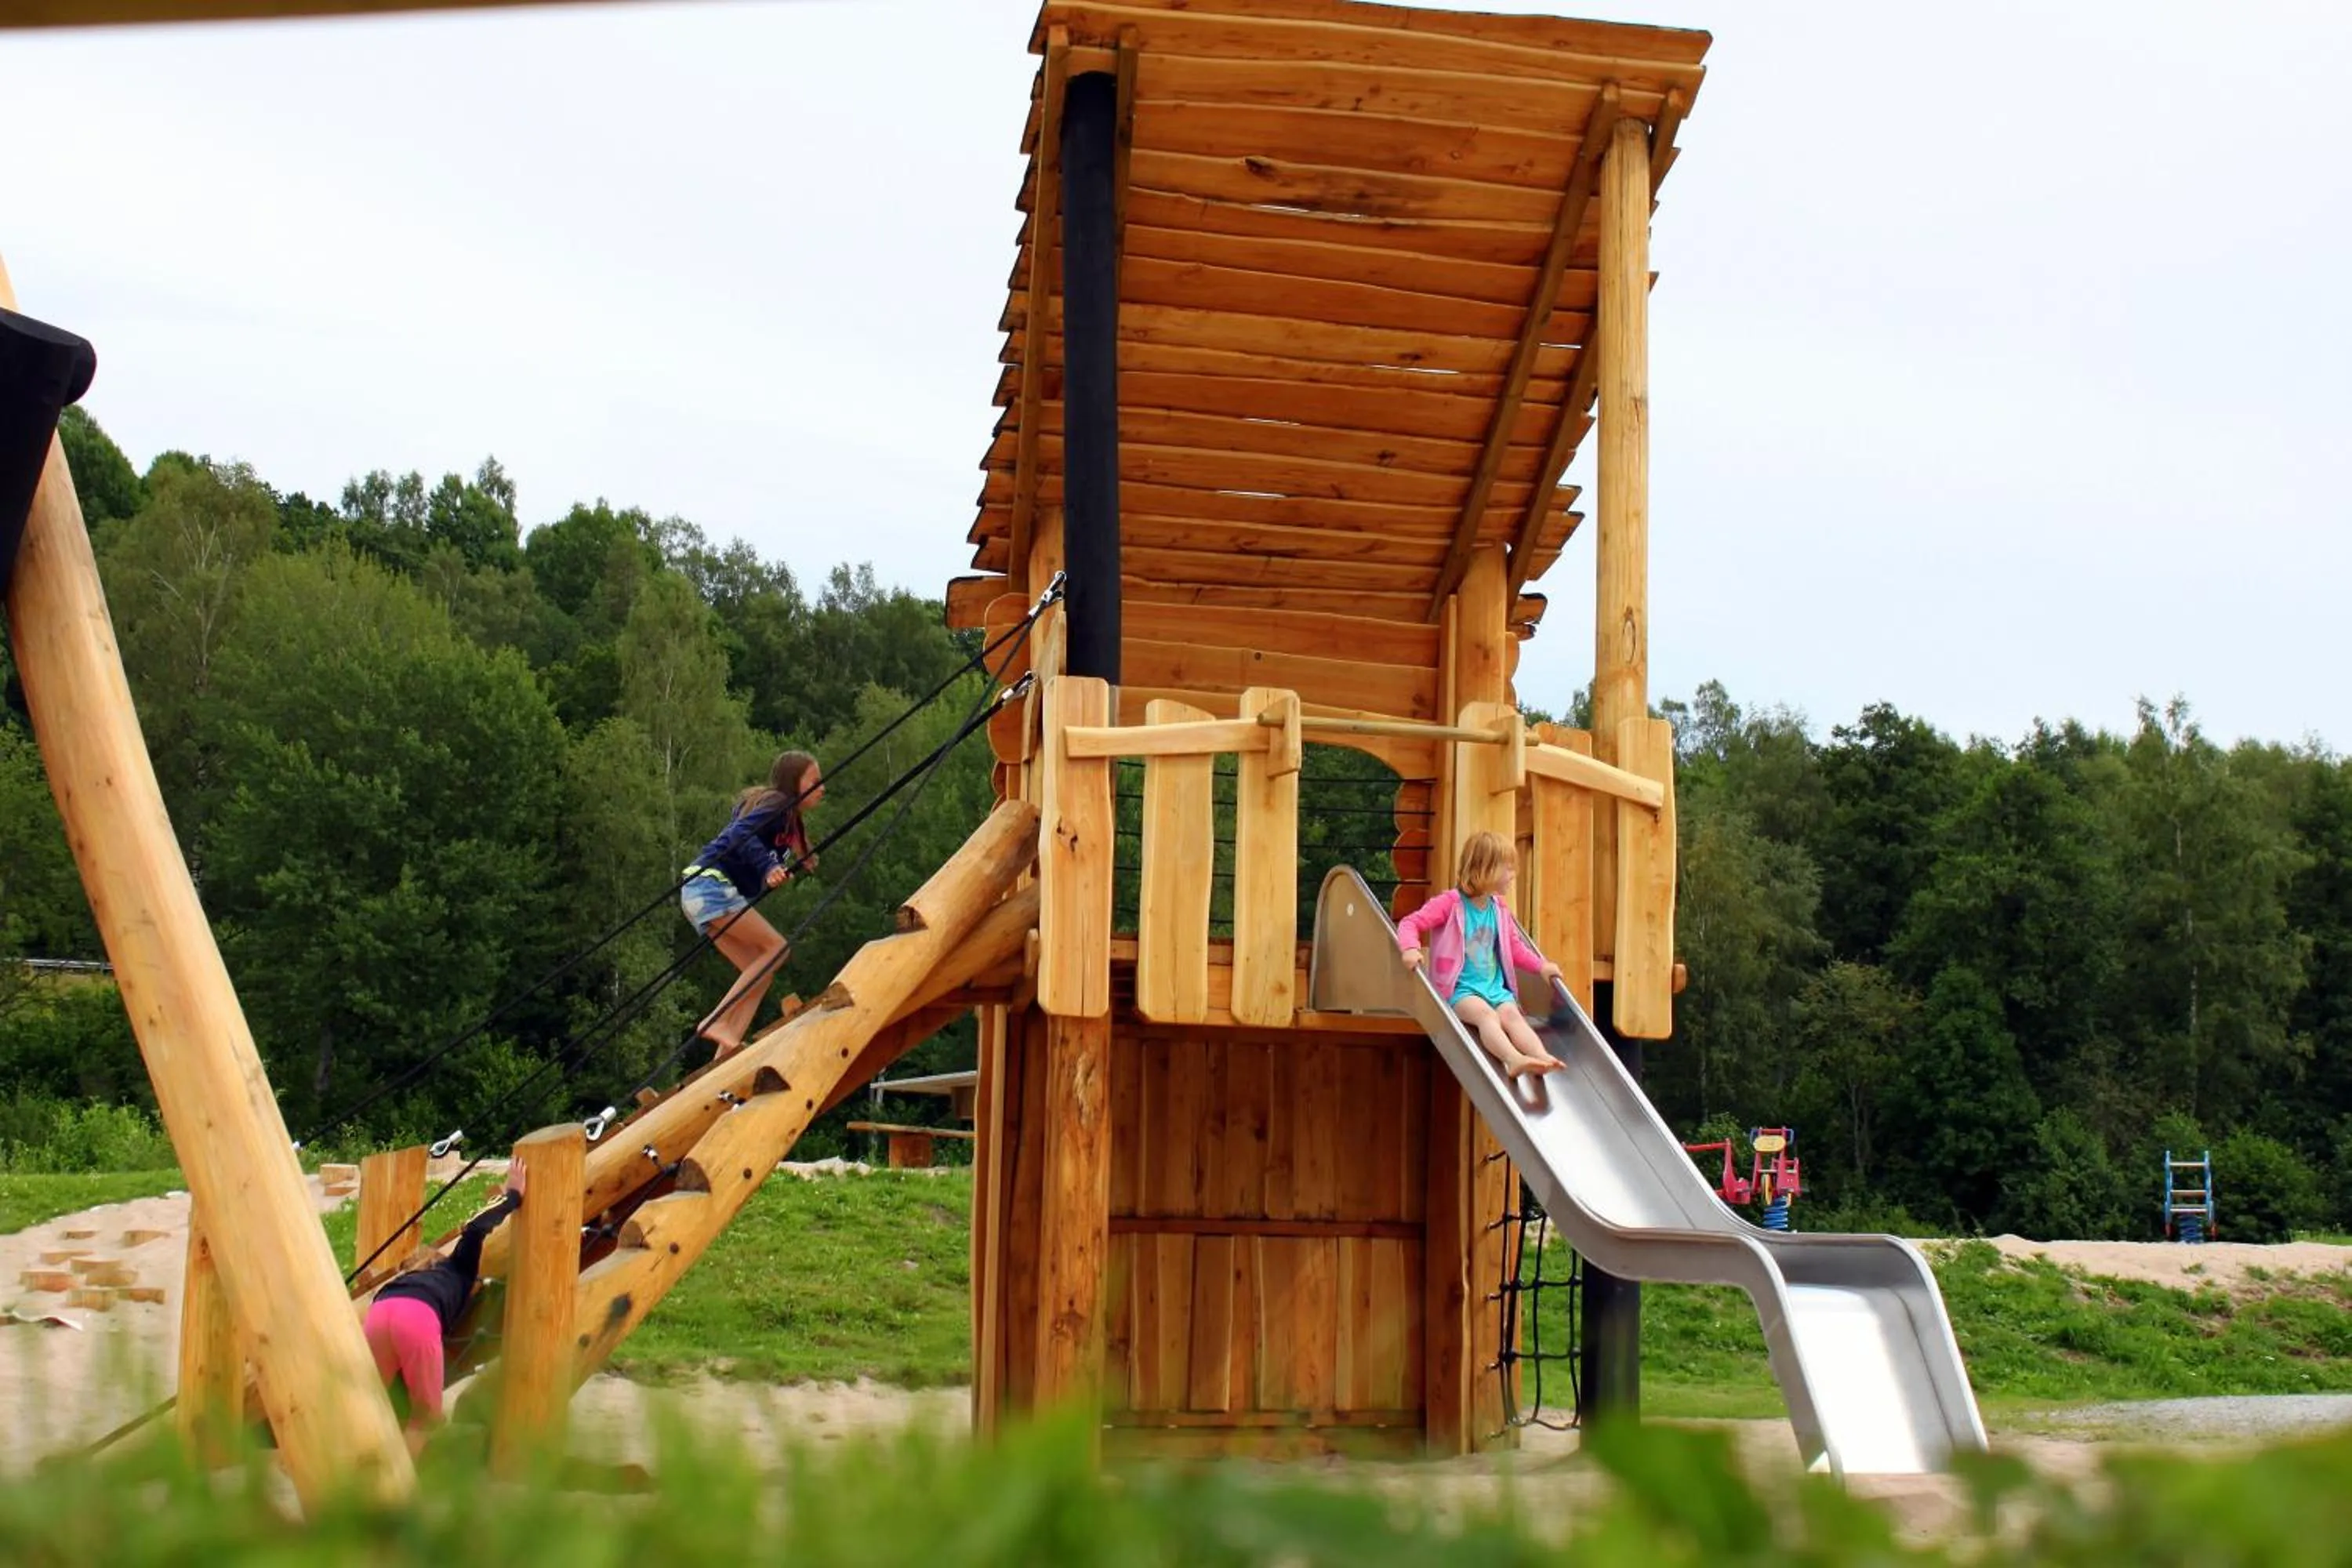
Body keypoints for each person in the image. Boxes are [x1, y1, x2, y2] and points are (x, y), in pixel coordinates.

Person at [362, 1160, 527, 1455]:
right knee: (425, 1420)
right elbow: (475, 1228)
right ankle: (397, 1484)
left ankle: (348, 1473)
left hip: (379, 1313)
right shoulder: (457, 1267)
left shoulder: (404, 1279)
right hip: (417, 1317)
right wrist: (513, 1197)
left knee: (371, 1405)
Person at [680, 750, 824, 1061]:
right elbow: (739, 833)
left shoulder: (787, 819)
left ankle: (724, 1054)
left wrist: (802, 858)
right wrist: (767, 868)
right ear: (794, 784)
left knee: (761, 968)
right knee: (777, 948)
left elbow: (796, 845)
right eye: (815, 781)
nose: (822, 787)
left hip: (698, 892)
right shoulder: (777, 803)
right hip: (711, 885)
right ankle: (716, 1020)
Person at [1396, 829, 1566, 1079]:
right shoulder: (1450, 903)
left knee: (1512, 1016)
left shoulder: (1498, 908)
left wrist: (1541, 966)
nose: (1512, 875)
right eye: (1507, 869)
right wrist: (1410, 948)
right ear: (1485, 869)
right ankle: (1513, 1059)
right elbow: (1411, 923)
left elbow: (1514, 948)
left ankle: (1540, 1057)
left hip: (1494, 988)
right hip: (1460, 989)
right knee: (1487, 1016)